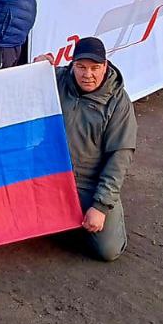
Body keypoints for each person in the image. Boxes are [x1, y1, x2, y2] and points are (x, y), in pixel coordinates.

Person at [56, 36, 136, 263]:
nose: (87, 74)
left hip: (87, 182)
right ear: (72, 66)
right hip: (54, 176)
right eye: (81, 67)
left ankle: (83, 217)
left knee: (107, 250)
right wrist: (37, 69)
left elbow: (119, 158)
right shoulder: (57, 80)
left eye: (95, 68)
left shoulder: (118, 103)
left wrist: (100, 206)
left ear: (106, 66)